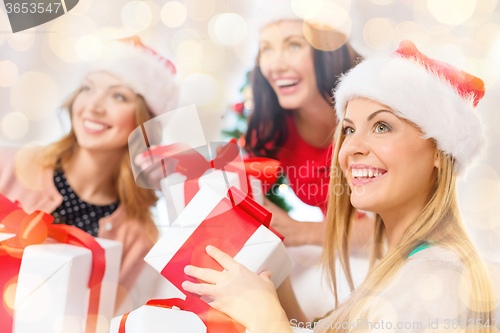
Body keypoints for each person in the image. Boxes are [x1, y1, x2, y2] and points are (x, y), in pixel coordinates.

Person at [180, 40, 496, 333]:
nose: (350, 149)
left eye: (382, 126)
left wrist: (266, 318)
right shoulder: (402, 265)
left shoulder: (436, 280)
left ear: (439, 151)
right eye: (348, 129)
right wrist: (270, 271)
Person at [0, 36, 179, 311]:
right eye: (87, 88)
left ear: (144, 122)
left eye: (118, 95)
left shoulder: (139, 236)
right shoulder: (7, 164)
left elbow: (97, 322)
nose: (94, 106)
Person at [244, 11, 373, 250]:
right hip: (338, 260)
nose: (276, 65)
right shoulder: (273, 128)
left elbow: (402, 225)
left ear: (328, 49)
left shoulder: (377, 110)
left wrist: (304, 231)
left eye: (294, 45)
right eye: (267, 49)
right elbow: (240, 191)